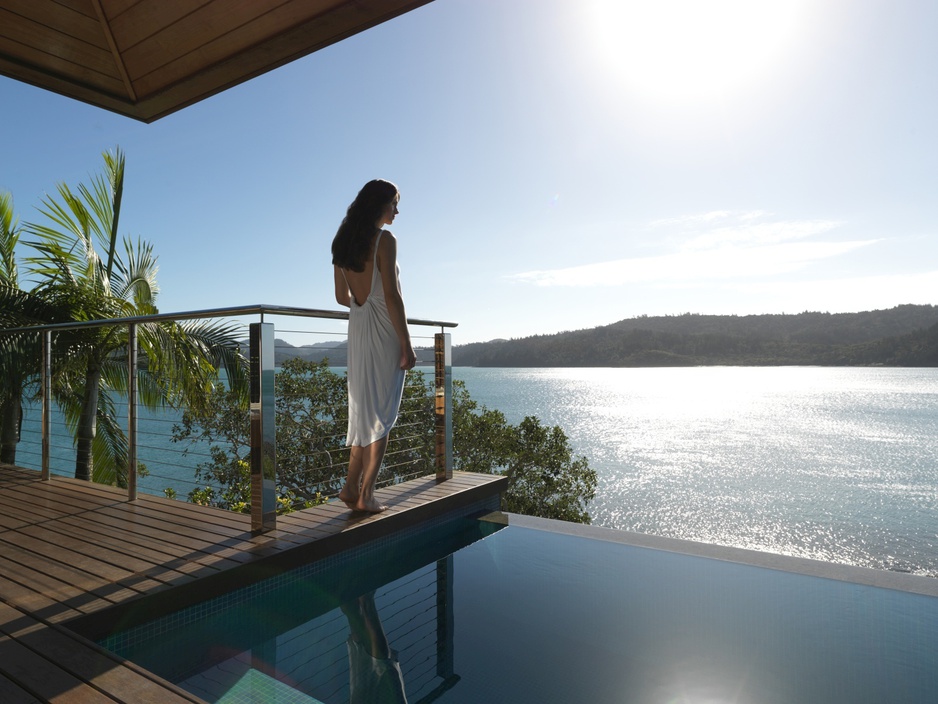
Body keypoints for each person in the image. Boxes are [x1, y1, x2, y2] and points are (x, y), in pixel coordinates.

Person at [332, 179, 417, 513]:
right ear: (379, 205)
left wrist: (363, 297)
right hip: (383, 330)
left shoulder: (341, 241)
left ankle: (350, 488)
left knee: (366, 411)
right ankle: (367, 495)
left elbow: (342, 297)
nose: (397, 210)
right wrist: (407, 345)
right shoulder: (385, 240)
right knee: (381, 414)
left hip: (359, 328)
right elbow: (393, 296)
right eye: (394, 203)